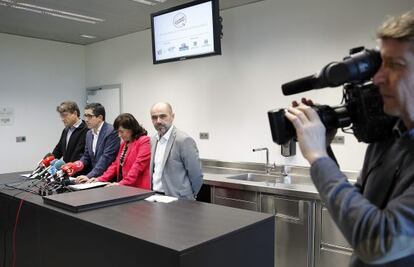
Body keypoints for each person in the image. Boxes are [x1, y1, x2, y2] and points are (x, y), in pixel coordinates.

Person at [285, 11, 414, 266]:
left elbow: (378, 242)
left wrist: (319, 158)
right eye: (380, 64)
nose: (377, 79)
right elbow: (356, 207)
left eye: (395, 65)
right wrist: (322, 147)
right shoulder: (388, 138)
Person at [77, 113, 151, 189]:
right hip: (125, 188)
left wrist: (121, 183)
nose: (119, 135)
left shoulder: (144, 141)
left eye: (121, 132)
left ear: (131, 129)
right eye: (118, 132)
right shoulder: (124, 144)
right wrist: (100, 179)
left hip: (138, 188)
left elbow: (137, 167)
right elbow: (115, 165)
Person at [150, 102, 203, 200]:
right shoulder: (152, 140)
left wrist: (188, 197)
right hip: (154, 197)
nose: (158, 121)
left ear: (172, 117)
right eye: (154, 117)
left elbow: (196, 175)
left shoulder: (183, 140)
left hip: (178, 200)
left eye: (162, 116)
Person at [74, 103, 120, 181]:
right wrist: (75, 165)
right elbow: (86, 156)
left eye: (90, 116)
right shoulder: (89, 133)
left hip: (108, 179)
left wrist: (89, 176)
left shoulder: (111, 131)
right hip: (94, 178)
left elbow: (106, 158)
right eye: (85, 115)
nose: (86, 119)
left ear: (100, 117)